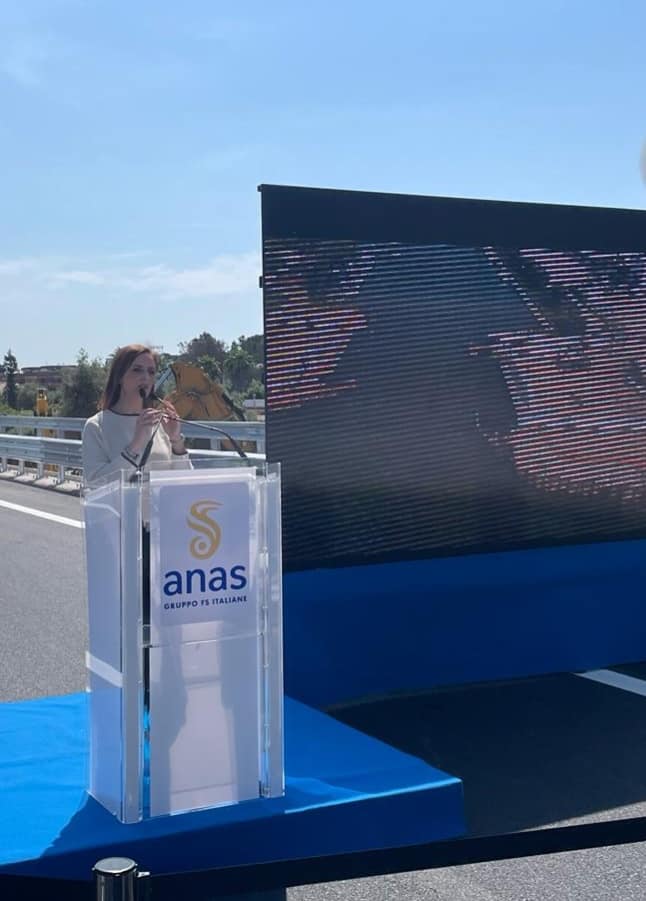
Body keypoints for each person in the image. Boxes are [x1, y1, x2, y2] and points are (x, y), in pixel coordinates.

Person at [82, 343, 191, 486]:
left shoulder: (160, 423)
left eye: (151, 372)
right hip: (120, 508)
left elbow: (185, 482)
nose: (145, 377)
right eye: (137, 370)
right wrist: (135, 446)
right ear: (120, 377)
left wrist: (176, 441)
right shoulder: (96, 426)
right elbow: (95, 483)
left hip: (162, 508)